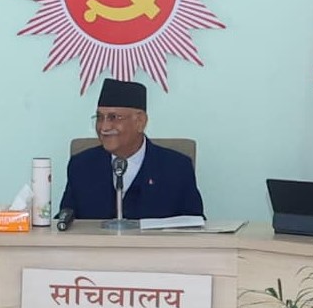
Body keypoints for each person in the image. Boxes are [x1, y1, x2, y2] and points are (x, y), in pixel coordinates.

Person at [58, 75, 204, 222]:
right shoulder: (81, 166)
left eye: (113, 117)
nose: (104, 127)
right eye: (100, 118)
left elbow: (195, 225)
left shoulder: (177, 168)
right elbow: (65, 219)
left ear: (140, 121)